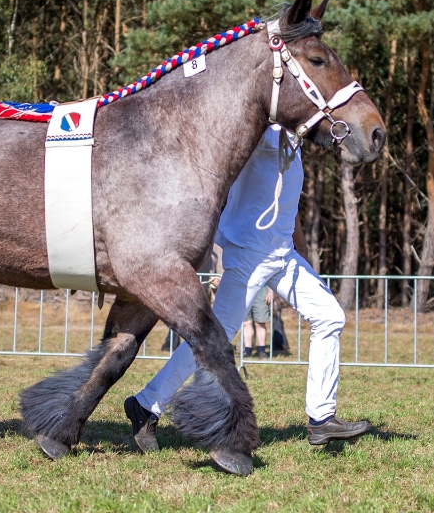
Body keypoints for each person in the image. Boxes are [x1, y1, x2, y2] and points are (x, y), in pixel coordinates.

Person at [124, 124, 370, 453]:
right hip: (249, 254)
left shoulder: (294, 143)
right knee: (214, 337)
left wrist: (302, 252)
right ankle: (146, 404)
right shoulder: (262, 132)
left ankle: (322, 418)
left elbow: (289, 207)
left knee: (330, 317)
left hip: (283, 254)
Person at [242, 288, 271, 357]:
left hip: (261, 290)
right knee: (246, 323)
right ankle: (247, 351)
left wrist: (271, 292)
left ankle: (262, 351)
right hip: (244, 291)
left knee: (260, 323)